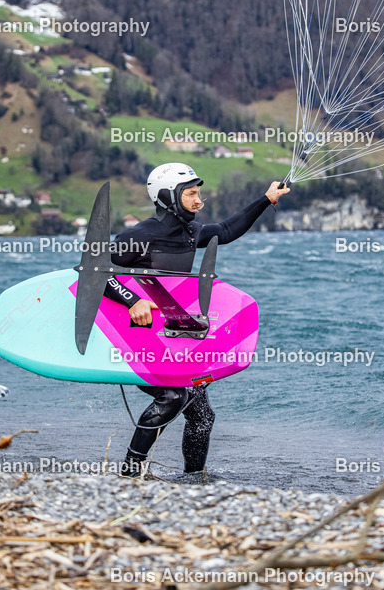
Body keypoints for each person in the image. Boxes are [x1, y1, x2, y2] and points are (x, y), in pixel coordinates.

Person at [105, 163, 289, 477]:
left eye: (198, 193)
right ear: (168, 196)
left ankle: (194, 480)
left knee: (202, 415)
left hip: (170, 339)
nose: (198, 200)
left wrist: (266, 199)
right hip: (135, 341)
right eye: (190, 193)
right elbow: (96, 275)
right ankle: (129, 472)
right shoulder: (138, 235)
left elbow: (228, 231)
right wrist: (132, 300)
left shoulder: (191, 233)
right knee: (173, 396)